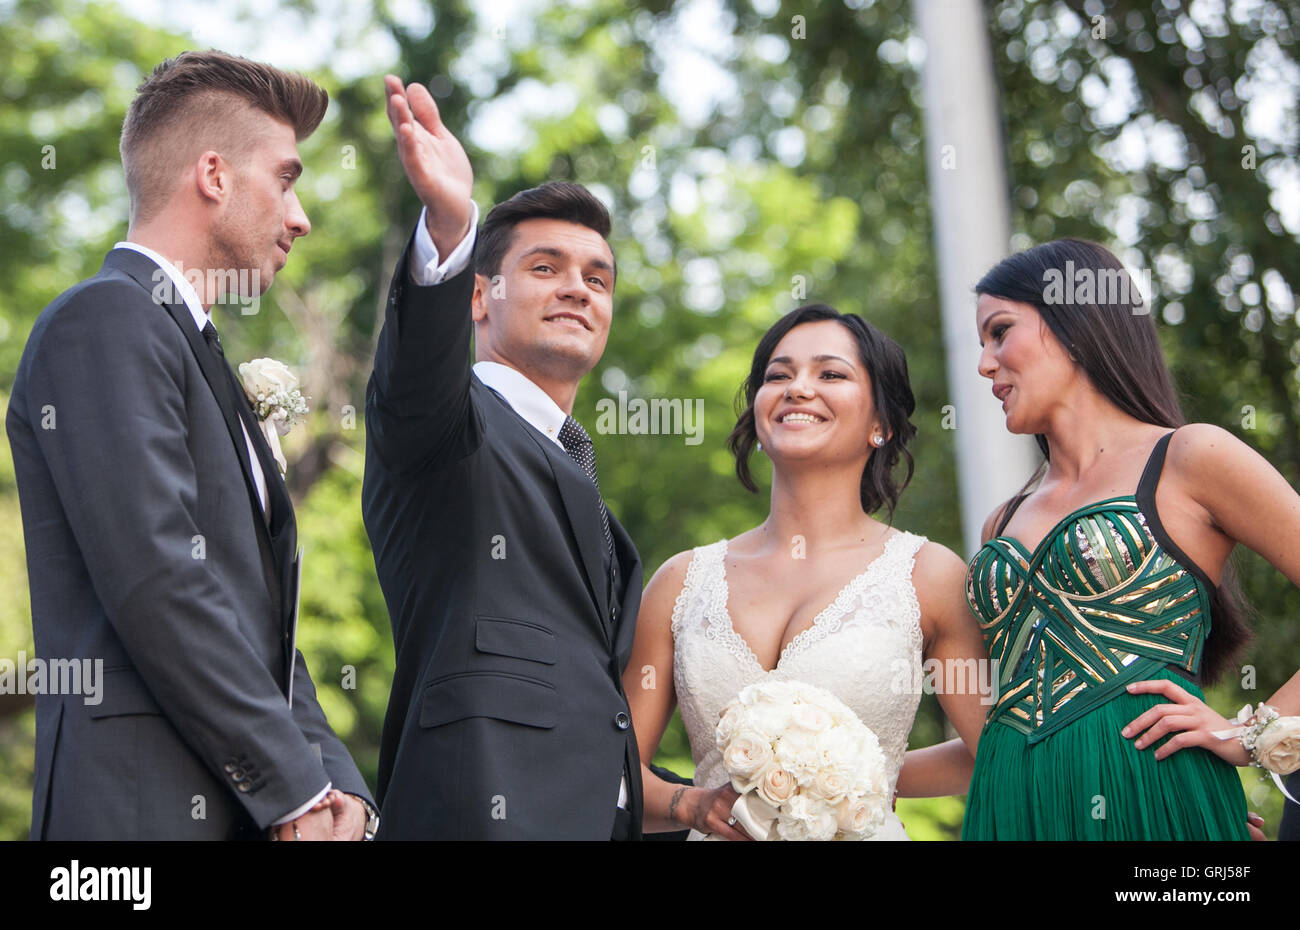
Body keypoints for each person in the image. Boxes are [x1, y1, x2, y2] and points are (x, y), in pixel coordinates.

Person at [6, 50, 374, 840]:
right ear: (213, 175)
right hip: (136, 820)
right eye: (286, 178)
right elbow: (158, 574)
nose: (301, 216)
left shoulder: (191, 351)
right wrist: (293, 789)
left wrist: (341, 788)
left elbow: (259, 626)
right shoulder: (102, 321)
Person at [363, 77, 644, 839]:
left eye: (599, 278)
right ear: (480, 299)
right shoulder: (445, 424)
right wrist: (449, 229)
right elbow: (417, 367)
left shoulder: (584, 481)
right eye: (546, 268)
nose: (579, 290)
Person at [963, 238, 1299, 840]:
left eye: (1000, 331)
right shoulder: (1001, 522)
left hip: (1150, 794)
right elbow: (1001, 713)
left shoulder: (1192, 456)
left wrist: (1250, 734)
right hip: (1007, 801)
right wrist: (844, 773)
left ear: (1074, 324)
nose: (985, 364)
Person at [625, 304, 988, 839]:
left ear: (881, 424)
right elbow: (616, 773)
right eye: (778, 375)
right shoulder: (681, 582)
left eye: (831, 373)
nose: (798, 388)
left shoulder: (928, 576)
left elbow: (996, 750)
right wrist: (689, 804)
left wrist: (864, 778)